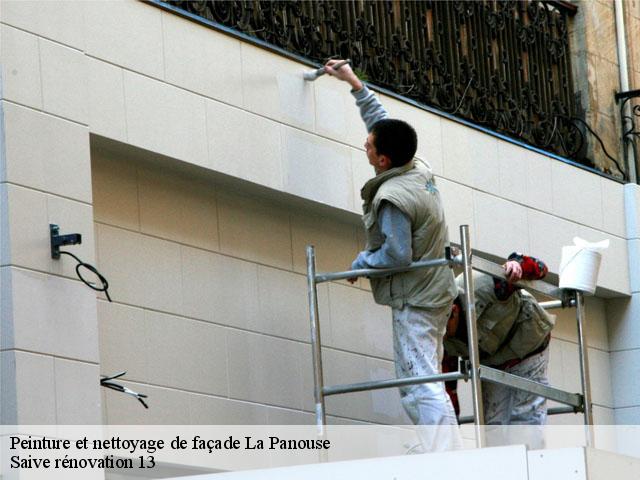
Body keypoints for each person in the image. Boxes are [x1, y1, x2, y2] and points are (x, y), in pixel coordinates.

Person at [324, 59, 462, 451]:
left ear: (383, 160)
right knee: (422, 376)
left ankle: (445, 458)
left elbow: (397, 255)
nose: (364, 145)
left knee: (419, 381)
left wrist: (360, 263)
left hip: (415, 300)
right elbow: (383, 124)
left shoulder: (392, 198)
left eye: (369, 146)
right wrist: (354, 84)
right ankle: (441, 450)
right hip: (434, 293)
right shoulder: (416, 166)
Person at [443, 253, 555, 448]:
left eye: (443, 328)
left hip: (528, 345)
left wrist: (518, 266)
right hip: (492, 360)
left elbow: (541, 267)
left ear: (453, 311)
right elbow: (448, 391)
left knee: (525, 420)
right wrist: (451, 436)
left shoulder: (483, 284)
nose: (442, 334)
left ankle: (531, 463)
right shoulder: (441, 339)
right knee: (492, 427)